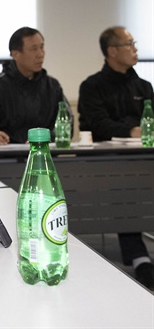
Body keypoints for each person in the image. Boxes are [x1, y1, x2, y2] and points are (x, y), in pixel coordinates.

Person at [77, 26, 154, 290]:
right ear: (112, 51)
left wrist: (136, 128)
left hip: (144, 158)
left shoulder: (144, 86)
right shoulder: (92, 86)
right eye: (129, 44)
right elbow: (97, 126)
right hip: (106, 163)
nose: (135, 49)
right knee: (126, 187)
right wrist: (132, 128)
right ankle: (140, 258)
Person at [0, 26, 73, 145]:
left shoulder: (52, 87)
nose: (40, 54)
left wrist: (46, 138)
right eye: (34, 49)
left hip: (43, 156)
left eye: (42, 47)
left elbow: (66, 122)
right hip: (4, 159)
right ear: (15, 54)